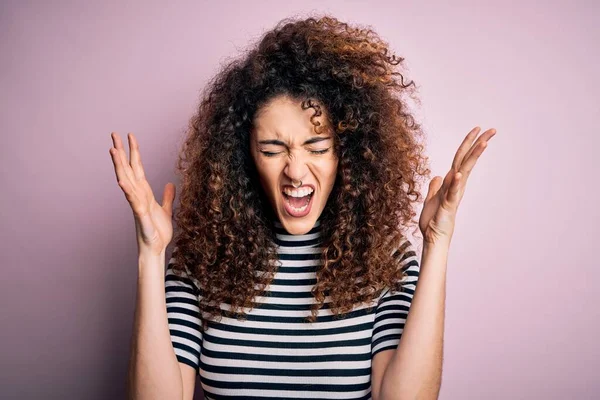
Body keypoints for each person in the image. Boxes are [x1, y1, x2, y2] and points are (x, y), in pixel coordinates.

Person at [110, 14, 496, 400]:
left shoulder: (384, 260)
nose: (295, 171)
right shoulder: (202, 258)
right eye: (272, 150)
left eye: (317, 148)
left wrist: (437, 245)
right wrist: (151, 254)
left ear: (347, 154)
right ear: (244, 155)